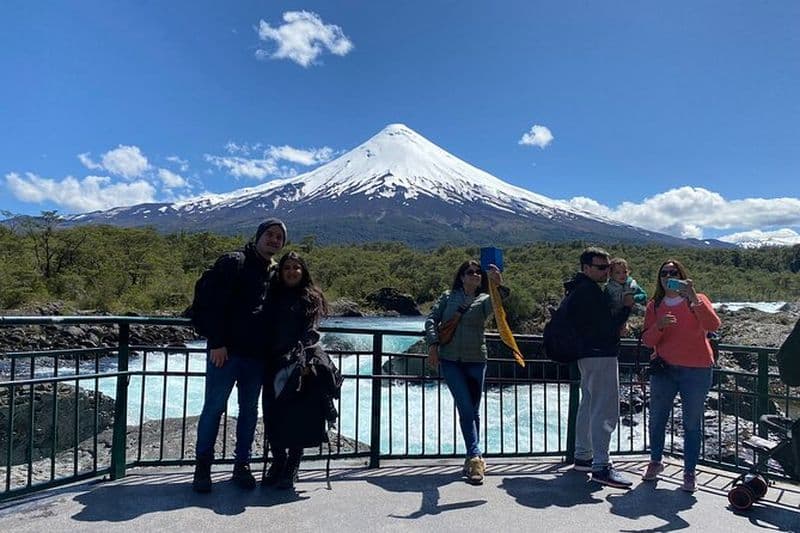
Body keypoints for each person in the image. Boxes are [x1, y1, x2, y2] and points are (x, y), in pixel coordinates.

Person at [192, 219, 287, 493]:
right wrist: (217, 342)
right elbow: (211, 303)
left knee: (249, 412)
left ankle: (241, 465)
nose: (274, 240)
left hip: (256, 357)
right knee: (213, 408)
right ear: (258, 236)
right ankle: (203, 467)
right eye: (269, 234)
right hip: (226, 354)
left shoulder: (273, 273)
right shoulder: (234, 262)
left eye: (279, 237)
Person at [261, 251, 340, 490]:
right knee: (272, 414)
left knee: (296, 415)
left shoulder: (311, 297)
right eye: (287, 267)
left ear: (303, 271)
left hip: (299, 365)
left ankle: (292, 466)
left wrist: (303, 360)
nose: (292, 271)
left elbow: (311, 331)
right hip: (271, 362)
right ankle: (278, 461)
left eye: (296, 267)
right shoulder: (271, 295)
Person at [424, 260, 509, 485]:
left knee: (473, 410)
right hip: (451, 360)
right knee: (465, 407)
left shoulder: (483, 300)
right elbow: (431, 320)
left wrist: (498, 286)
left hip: (476, 360)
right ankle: (474, 457)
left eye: (478, 273)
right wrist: (433, 344)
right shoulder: (447, 297)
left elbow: (498, 307)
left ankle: (473, 457)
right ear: (461, 277)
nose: (475, 275)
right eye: (469, 272)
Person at [641, 259, 721, 492]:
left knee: (691, 423)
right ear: (660, 278)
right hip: (664, 370)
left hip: (697, 371)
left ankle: (689, 472)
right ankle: (656, 462)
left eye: (673, 272)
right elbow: (647, 340)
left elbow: (713, 325)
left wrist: (693, 297)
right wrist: (660, 326)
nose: (668, 276)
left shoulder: (698, 299)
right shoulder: (654, 306)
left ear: (682, 275)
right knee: (657, 419)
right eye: (664, 273)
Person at [567, 247, 635, 488]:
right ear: (586, 268)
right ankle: (601, 466)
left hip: (586, 355)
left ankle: (583, 456)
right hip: (600, 354)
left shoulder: (577, 289)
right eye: (601, 267)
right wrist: (627, 307)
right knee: (604, 409)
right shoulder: (591, 293)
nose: (607, 271)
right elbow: (606, 327)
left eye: (608, 267)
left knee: (588, 404)